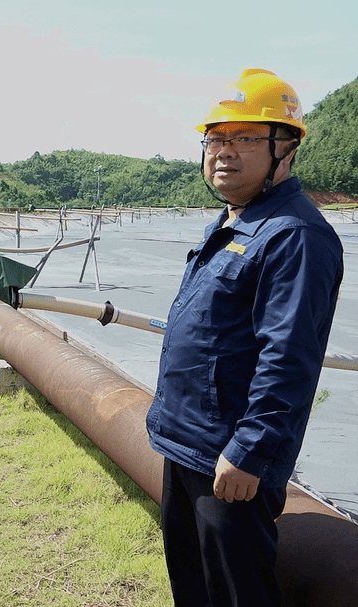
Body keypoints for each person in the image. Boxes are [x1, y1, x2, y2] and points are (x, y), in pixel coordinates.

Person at [146, 68, 344, 607]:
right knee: (193, 585)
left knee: (236, 592)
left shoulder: (295, 236)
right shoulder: (235, 220)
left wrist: (249, 450)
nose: (225, 153)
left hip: (229, 460)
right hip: (186, 442)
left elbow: (289, 358)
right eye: (217, 139)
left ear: (287, 148)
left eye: (247, 138)